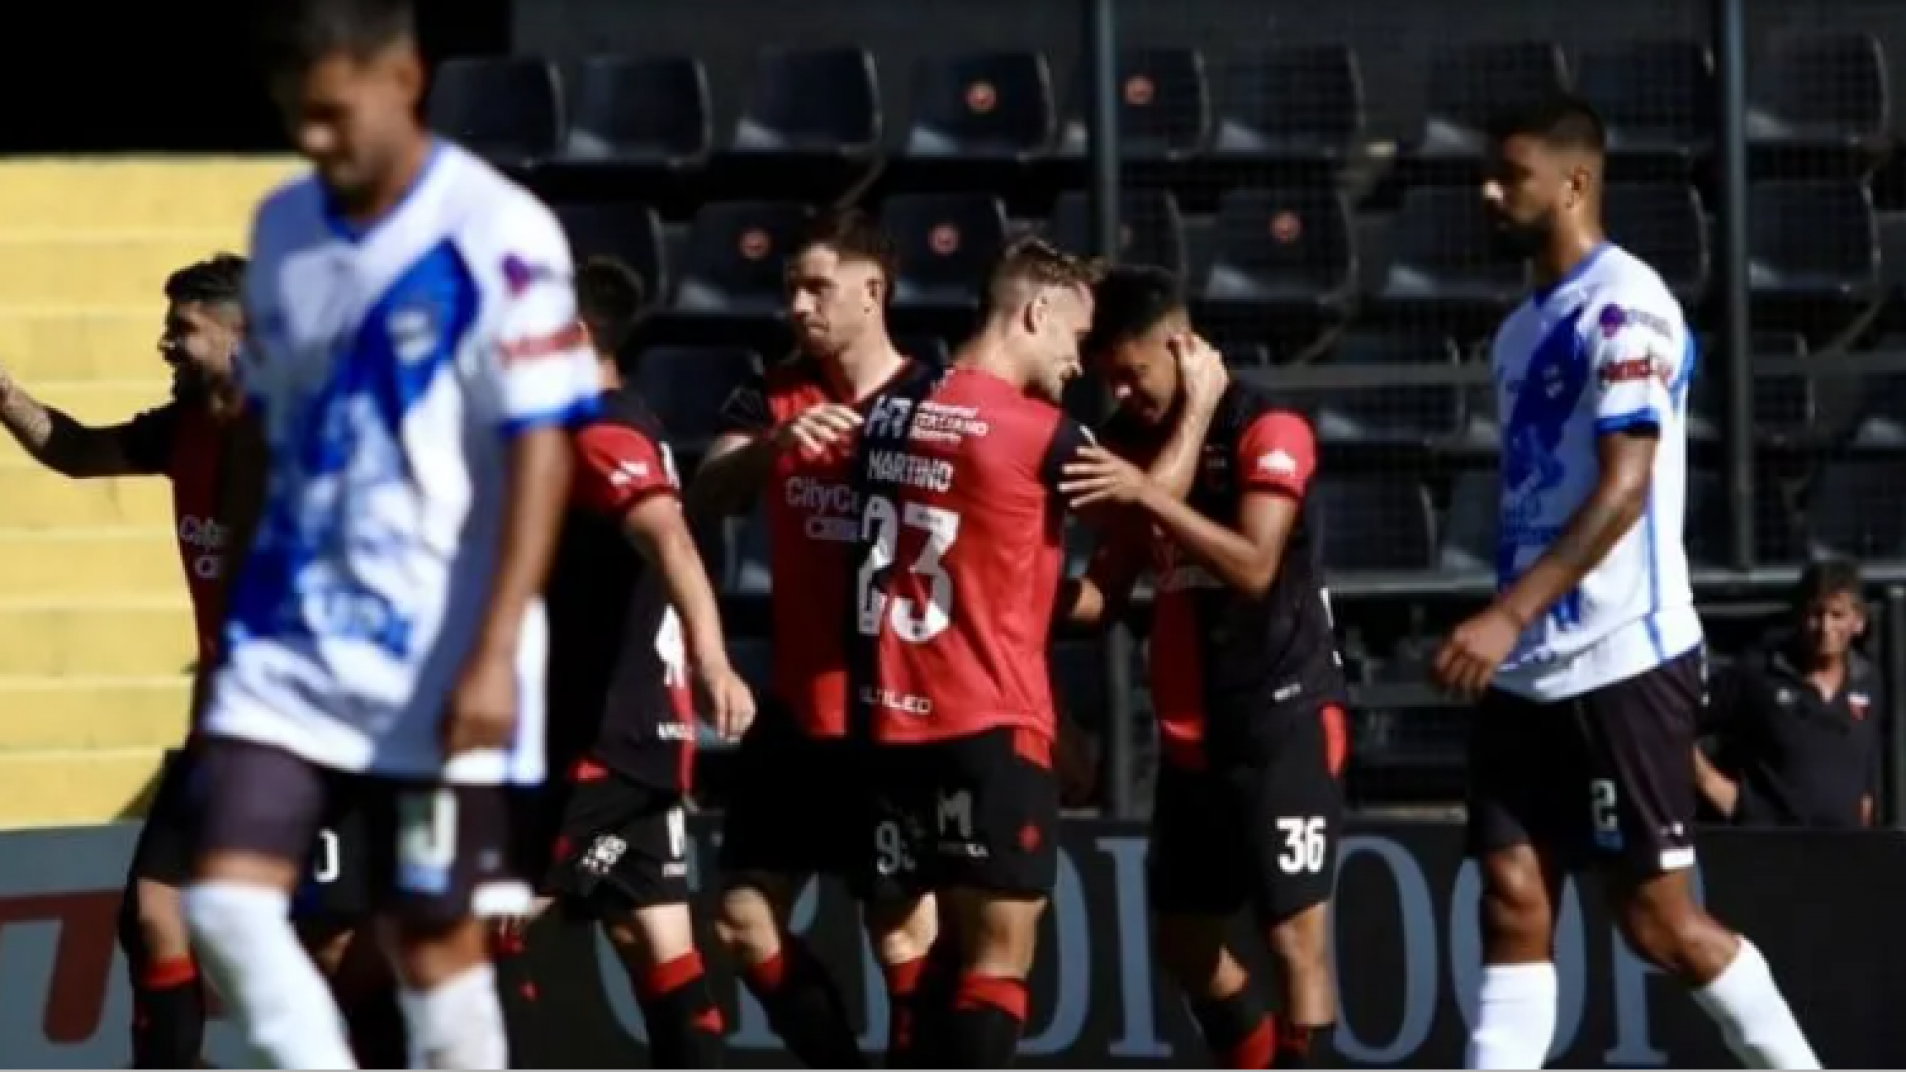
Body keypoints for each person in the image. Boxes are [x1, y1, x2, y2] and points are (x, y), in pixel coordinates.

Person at [180, 0, 601, 1065]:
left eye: (332, 113)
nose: (315, 142)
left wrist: (498, 648)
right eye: (295, 119)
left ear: (404, 77)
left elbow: (541, 451)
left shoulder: (497, 233)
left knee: (432, 943)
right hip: (296, 638)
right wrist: (233, 615)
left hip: (443, 644)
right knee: (224, 902)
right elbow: (264, 431)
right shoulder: (283, 228)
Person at [1430, 94, 1818, 1070]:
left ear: (1572, 183)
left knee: (1657, 922)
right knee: (1511, 893)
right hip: (1524, 673)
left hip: (1619, 657)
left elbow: (1627, 485)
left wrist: (1504, 613)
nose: (1487, 191)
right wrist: (1511, 626)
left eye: (1508, 174)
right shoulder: (1517, 334)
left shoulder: (1627, 305)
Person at [0, 254, 402, 1068]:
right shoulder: (181, 429)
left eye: (183, 328)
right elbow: (76, 451)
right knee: (153, 914)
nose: (167, 344)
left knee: (335, 953)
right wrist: (5, 397)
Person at [1058, 264, 1346, 1069]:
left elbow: (1254, 567)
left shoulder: (1267, 426)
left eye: (1133, 372)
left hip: (1280, 716)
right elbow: (1105, 594)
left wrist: (1150, 498)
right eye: (1107, 377)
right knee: (1186, 942)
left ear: (1182, 348)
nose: (1121, 392)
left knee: (1295, 940)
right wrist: (1017, 602)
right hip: (1192, 734)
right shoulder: (1125, 445)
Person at [844, 235, 1103, 1068]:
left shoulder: (888, 410)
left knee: (922, 965)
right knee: (997, 960)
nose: (1079, 360)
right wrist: (1201, 407)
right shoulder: (1037, 430)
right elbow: (1147, 500)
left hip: (888, 720)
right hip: (988, 724)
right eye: (1076, 336)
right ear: (1034, 314)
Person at [688, 208, 940, 1067]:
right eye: (791, 287)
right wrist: (774, 448)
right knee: (740, 915)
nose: (798, 305)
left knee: (901, 933)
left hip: (896, 715)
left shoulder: (934, 400)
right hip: (796, 713)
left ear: (874, 293)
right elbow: (705, 493)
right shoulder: (772, 392)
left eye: (817, 287)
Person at [504, 255, 754, 1068]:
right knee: (660, 948)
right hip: (638, 740)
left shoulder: (602, 431)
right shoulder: (601, 425)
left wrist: (716, 660)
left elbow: (672, 539)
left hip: (599, 748)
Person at [1698, 558, 1882, 828]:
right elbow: (1679, 722)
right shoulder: (1758, 674)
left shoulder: (1869, 682)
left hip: (1843, 856)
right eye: (1815, 614)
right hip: (1767, 852)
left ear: (1859, 622)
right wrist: (1713, 786)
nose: (1825, 627)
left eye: (1837, 615)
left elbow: (1867, 770)